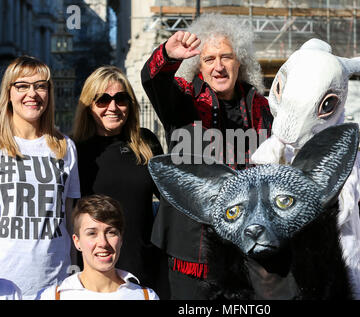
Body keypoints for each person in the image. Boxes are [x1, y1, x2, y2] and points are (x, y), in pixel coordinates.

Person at [141, 13, 273, 299]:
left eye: (226, 57)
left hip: (247, 247)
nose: (219, 66)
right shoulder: (183, 100)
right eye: (209, 59)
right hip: (192, 250)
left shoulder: (261, 107)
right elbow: (152, 78)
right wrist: (167, 54)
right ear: (198, 65)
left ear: (241, 61)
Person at [72, 66, 166, 297]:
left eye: (121, 99)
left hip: (143, 271)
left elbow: (168, 202)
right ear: (88, 105)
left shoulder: (146, 143)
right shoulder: (74, 150)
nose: (112, 107)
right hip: (91, 276)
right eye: (102, 100)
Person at [0, 56, 80, 299]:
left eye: (41, 86)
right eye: (22, 85)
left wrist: (75, 276)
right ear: (9, 92)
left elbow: (71, 220)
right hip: (5, 282)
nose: (32, 93)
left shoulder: (65, 147)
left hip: (54, 281)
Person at [37, 194, 159, 300]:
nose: (103, 243)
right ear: (77, 241)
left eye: (111, 232)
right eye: (92, 233)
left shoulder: (145, 296)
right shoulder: (53, 296)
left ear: (121, 238)